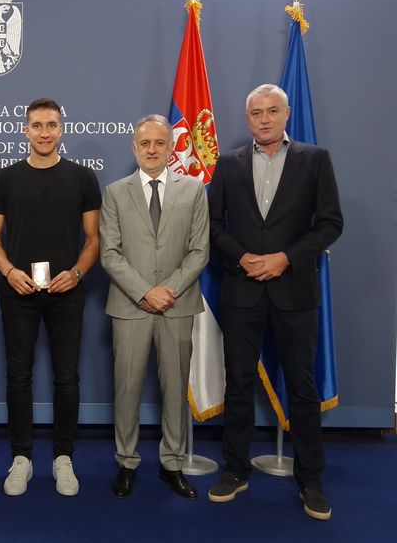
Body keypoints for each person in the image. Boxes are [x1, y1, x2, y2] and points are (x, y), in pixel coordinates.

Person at [207, 84, 343, 520]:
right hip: (242, 290)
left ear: (286, 114)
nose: (264, 119)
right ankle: (235, 471)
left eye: (272, 111)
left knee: (302, 388)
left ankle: (311, 482)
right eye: (256, 113)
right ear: (247, 119)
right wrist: (241, 256)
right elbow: (211, 225)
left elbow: (330, 223)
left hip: (294, 291)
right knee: (238, 384)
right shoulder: (227, 163)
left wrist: (286, 258)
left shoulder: (315, 159)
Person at [0, 98, 101, 497]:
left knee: (67, 377)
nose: (45, 132)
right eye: (37, 125)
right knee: (18, 376)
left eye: (51, 125)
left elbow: (93, 239)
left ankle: (63, 456)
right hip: (19, 292)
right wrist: (9, 272)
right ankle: (22, 457)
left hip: (67, 292)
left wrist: (78, 272)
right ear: (26, 130)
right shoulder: (5, 178)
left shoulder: (83, 178)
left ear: (61, 129)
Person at [100, 115, 209, 500]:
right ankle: (126, 462)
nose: (151, 150)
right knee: (127, 388)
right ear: (134, 148)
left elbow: (199, 251)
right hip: (130, 306)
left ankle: (172, 464)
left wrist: (168, 290)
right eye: (144, 143)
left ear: (170, 147)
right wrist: (146, 292)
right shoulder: (115, 192)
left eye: (159, 143)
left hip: (177, 305)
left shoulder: (193, 189)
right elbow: (110, 254)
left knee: (175, 389)